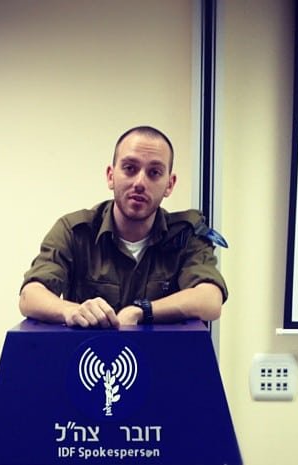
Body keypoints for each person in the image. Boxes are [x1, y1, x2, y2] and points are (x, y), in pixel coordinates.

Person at [19, 125, 227, 328]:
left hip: (162, 359)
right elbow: (30, 296)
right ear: (111, 176)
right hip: (90, 358)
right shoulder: (74, 231)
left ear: (169, 184)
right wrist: (71, 311)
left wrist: (143, 311)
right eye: (130, 168)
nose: (140, 182)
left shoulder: (186, 236)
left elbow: (210, 299)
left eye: (154, 172)